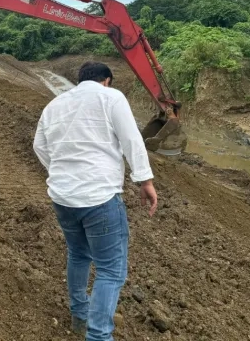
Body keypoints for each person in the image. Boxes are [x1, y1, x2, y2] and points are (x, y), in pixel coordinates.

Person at [32, 61, 158, 340]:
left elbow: (39, 145)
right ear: (107, 80)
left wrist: (62, 172)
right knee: (111, 270)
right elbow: (131, 140)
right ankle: (98, 335)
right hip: (99, 197)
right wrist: (145, 181)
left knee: (78, 254)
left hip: (63, 198)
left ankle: (79, 314)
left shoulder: (55, 105)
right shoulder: (111, 97)